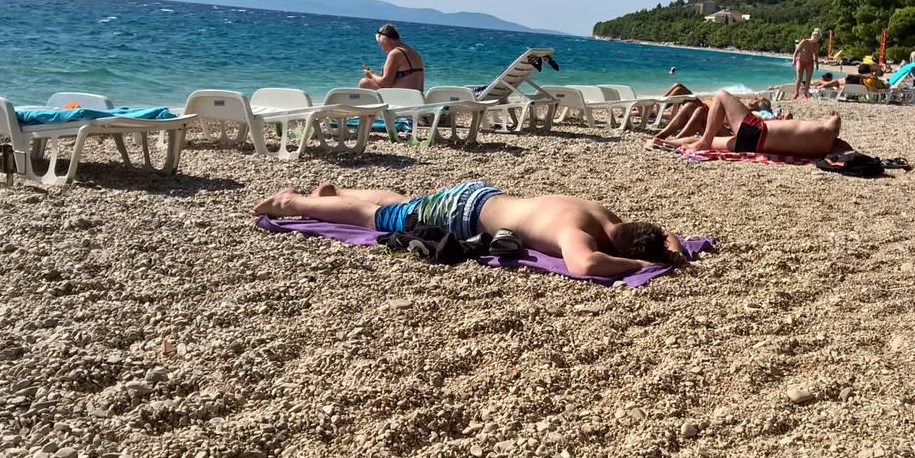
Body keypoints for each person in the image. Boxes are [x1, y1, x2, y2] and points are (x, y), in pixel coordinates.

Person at [254, 182, 685, 277]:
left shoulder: (601, 212)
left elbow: (660, 232)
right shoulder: (579, 233)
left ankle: (338, 192)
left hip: (480, 194)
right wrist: (640, 265)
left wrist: (673, 246)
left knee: (405, 203)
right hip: (462, 214)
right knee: (378, 219)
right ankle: (291, 203)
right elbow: (585, 265)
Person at [667, 90, 843, 156]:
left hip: (759, 131)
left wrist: (835, 118)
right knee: (714, 142)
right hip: (756, 146)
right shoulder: (819, 148)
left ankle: (700, 141)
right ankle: (664, 142)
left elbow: (835, 122)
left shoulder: (826, 133)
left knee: (721, 95)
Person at [359, 23, 425, 91]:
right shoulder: (413, 52)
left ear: (389, 40)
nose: (383, 49)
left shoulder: (395, 53)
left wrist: (371, 74)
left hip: (401, 96)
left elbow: (385, 83)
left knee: (364, 82)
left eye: (382, 45)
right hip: (417, 96)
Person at [794, 29, 821, 98]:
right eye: (816, 37)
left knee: (808, 79)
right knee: (799, 78)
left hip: (810, 62)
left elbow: (816, 55)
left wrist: (817, 64)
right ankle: (796, 92)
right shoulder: (804, 41)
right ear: (813, 36)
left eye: (818, 38)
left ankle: (805, 94)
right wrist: (794, 60)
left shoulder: (816, 45)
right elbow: (797, 51)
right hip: (800, 61)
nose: (817, 39)